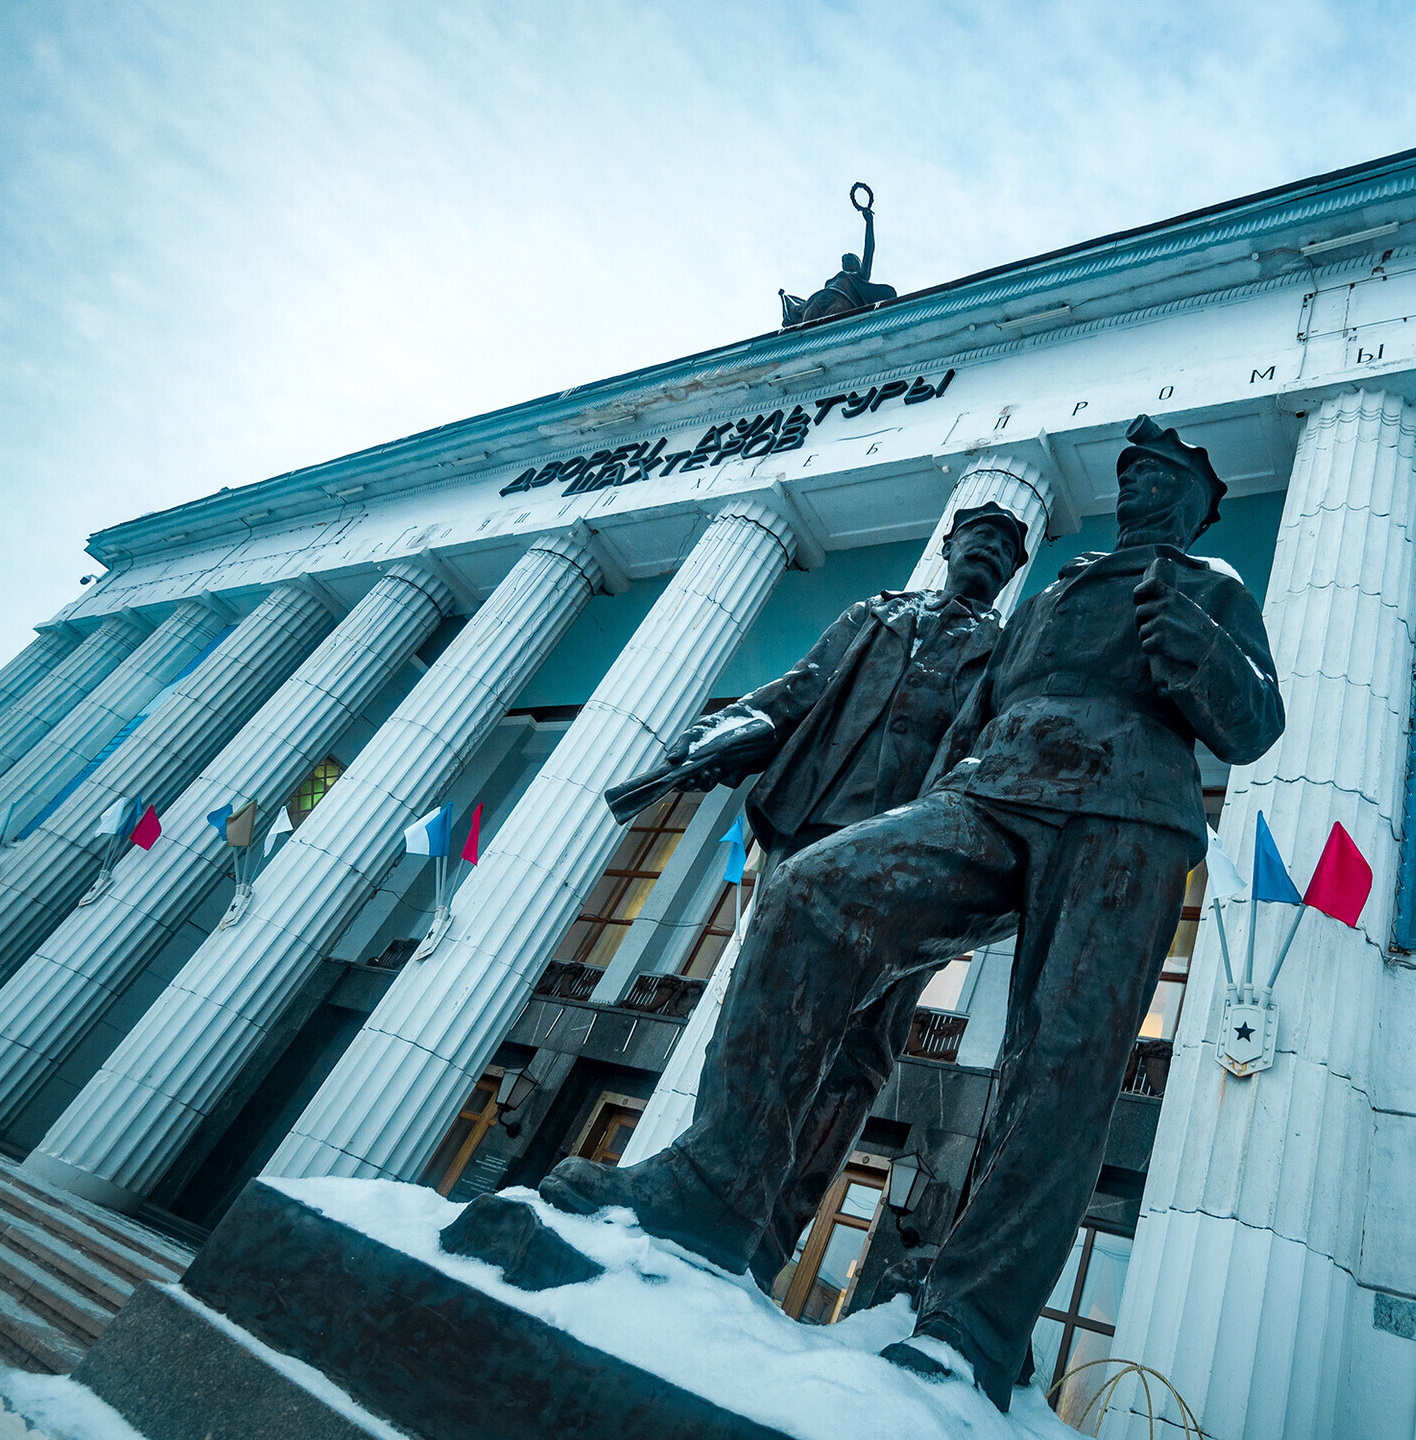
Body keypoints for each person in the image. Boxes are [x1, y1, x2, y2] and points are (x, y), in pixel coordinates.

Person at [544, 415, 1286, 1411]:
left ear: (1200, 504)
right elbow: (974, 711)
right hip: (992, 794)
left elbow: (1254, 726)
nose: (1143, 490)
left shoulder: (1212, 588)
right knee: (812, 893)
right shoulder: (1060, 586)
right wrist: (934, 794)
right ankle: (714, 1193)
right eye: (1133, 475)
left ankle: (971, 1326)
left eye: (1164, 479)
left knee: (1059, 1066)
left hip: (1123, 816)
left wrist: (1199, 654)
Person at [646, 501, 1030, 1290]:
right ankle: (708, 1188)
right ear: (950, 545)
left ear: (1013, 571)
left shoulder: (1008, 652)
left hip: (918, 860)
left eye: (1005, 548)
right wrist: (738, 722)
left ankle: (768, 1237)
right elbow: (800, 690)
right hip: (817, 821)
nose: (988, 553)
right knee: (756, 1013)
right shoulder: (877, 616)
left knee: (860, 1046)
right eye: (978, 539)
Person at [780, 186, 899, 327]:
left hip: (841, 301)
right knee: (804, 331)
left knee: (831, 329)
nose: (846, 260)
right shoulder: (830, 281)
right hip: (817, 300)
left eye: (850, 258)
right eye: (844, 259)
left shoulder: (860, 276)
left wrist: (869, 223)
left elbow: (869, 250)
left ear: (858, 264)